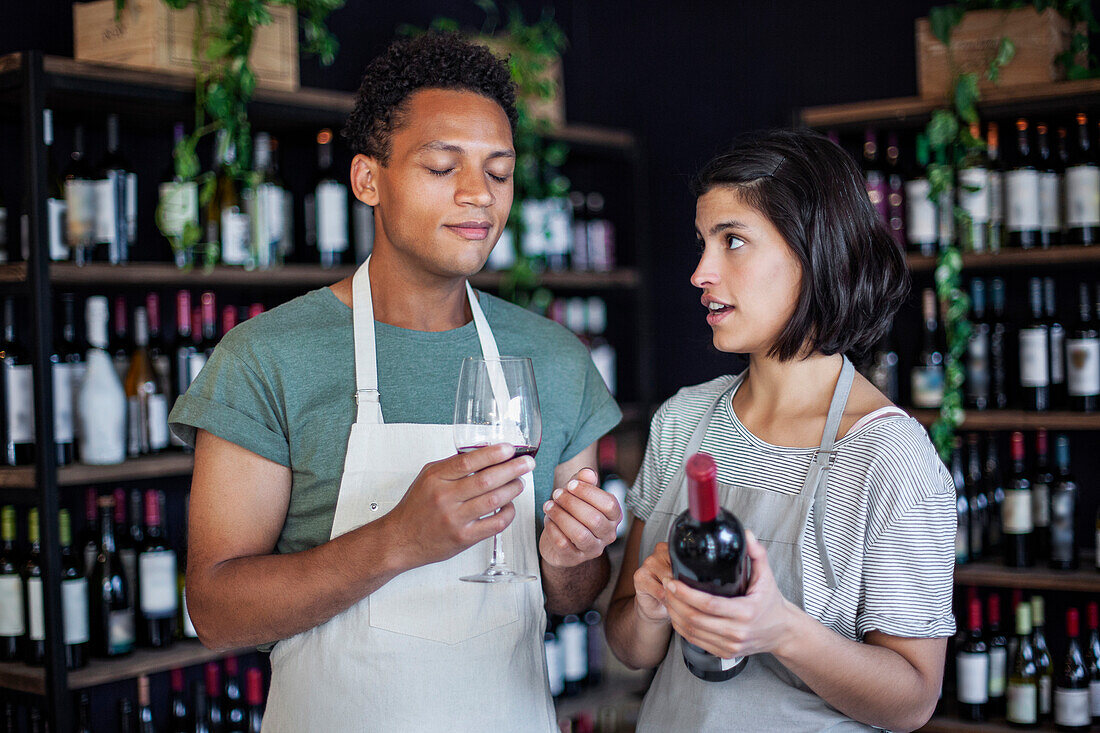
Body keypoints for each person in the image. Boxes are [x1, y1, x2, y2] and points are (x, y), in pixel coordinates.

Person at [169, 33, 622, 732]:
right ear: (367, 180)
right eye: (443, 166)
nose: (478, 194)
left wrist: (572, 558)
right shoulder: (266, 357)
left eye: (499, 173)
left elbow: (572, 595)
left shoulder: (555, 359)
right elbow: (215, 608)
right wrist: (397, 541)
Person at [605, 129, 956, 732]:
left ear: (813, 253)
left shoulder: (886, 454)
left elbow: (912, 700)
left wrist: (782, 630)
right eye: (702, 242)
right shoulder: (683, 421)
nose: (699, 273)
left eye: (732, 240)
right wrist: (650, 606)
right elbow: (630, 648)